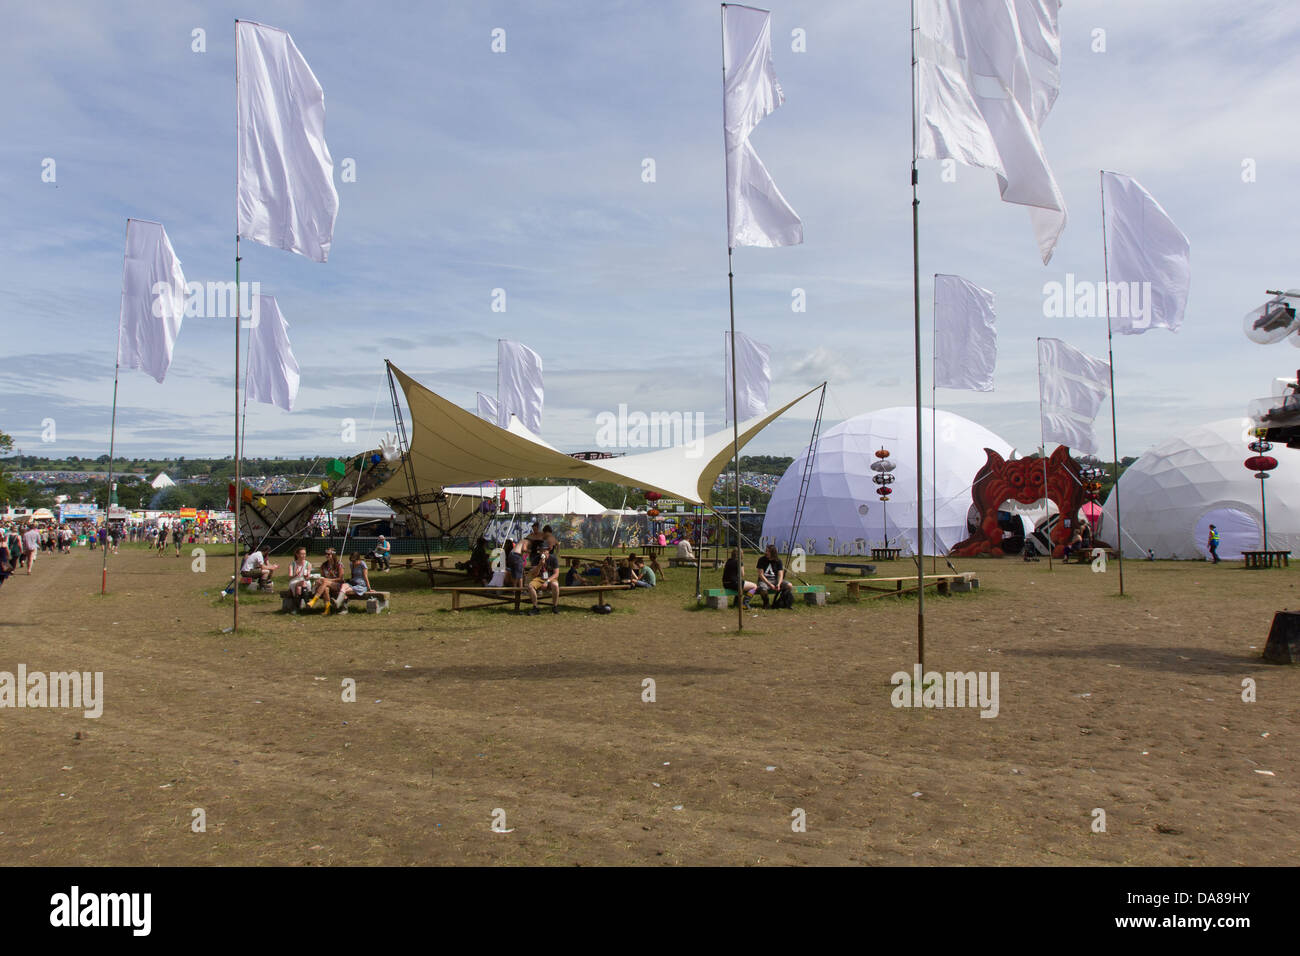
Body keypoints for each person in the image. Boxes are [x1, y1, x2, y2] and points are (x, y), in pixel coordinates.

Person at [526, 544, 561, 614]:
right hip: (539, 578)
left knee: (555, 585)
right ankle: (535, 607)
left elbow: (556, 574)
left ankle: (555, 606)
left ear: (548, 551)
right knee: (530, 586)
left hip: (550, 578)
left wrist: (547, 581)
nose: (543, 553)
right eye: (541, 551)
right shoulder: (536, 559)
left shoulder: (553, 559)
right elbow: (534, 574)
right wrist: (539, 565)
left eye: (544, 551)